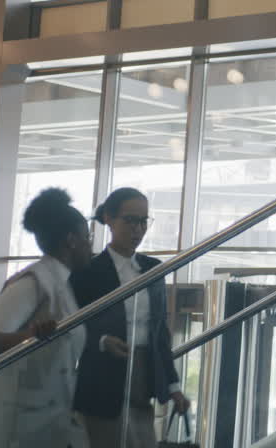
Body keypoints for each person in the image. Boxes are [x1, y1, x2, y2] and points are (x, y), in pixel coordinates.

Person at [0, 188, 93, 448]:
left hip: (48, 416)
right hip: (20, 423)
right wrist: (31, 335)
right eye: (87, 237)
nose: (91, 246)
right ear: (72, 240)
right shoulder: (33, 282)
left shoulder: (60, 283)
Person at [71, 188, 190, 448]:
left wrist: (173, 386)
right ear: (110, 220)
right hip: (102, 375)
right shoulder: (88, 271)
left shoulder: (153, 269)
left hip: (144, 373)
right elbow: (73, 326)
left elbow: (159, 332)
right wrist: (102, 341)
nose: (137, 229)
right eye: (130, 220)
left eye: (143, 221)